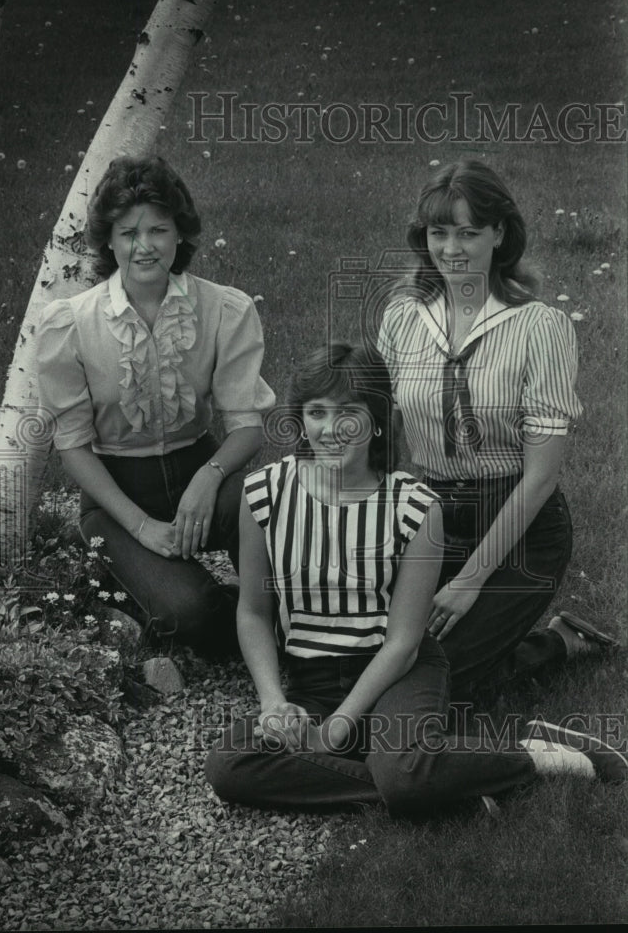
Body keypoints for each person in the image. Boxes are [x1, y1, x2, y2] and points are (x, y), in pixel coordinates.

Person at [204, 343, 626, 815]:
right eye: (317, 412)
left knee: (402, 772)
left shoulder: (416, 507)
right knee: (230, 764)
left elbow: (403, 642)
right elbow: (253, 613)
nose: (330, 429)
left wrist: (338, 727)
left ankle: (538, 755)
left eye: (349, 413)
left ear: (378, 419)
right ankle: (440, 788)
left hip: (399, 673)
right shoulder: (263, 493)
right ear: (300, 419)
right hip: (312, 682)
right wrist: (273, 703)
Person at [376, 159, 618, 700]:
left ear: (499, 233)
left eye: (469, 233)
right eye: (439, 233)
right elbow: (385, 432)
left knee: (436, 683)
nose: (452, 249)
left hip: (521, 526)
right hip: (432, 514)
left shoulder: (541, 327)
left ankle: (557, 642)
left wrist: (469, 580)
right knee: (374, 655)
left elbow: (540, 478)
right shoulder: (402, 316)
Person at [36, 156, 275, 653]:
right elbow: (74, 447)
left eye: (158, 230)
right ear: (108, 240)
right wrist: (141, 526)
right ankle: (222, 609)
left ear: (180, 235)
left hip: (201, 466)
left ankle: (294, 616)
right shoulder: (69, 325)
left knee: (267, 509)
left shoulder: (225, 310)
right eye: (128, 233)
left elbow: (246, 426)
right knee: (186, 614)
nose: (144, 246)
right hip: (117, 493)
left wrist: (209, 477)